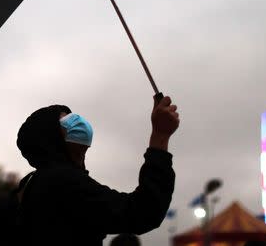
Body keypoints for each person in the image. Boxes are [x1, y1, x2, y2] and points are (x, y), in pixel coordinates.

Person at [15, 94, 179, 245]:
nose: (77, 121)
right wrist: (160, 135)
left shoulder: (34, 182)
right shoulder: (60, 182)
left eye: (72, 116)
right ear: (50, 138)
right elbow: (142, 212)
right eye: (66, 121)